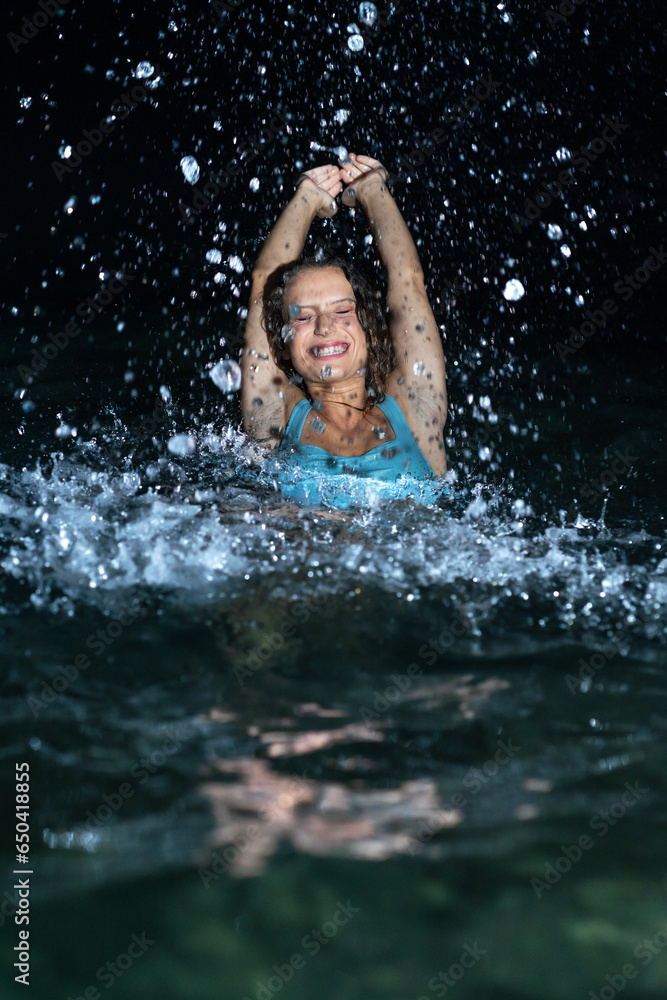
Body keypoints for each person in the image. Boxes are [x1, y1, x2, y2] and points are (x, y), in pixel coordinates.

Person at [240, 153, 448, 503]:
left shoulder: (414, 405)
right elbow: (264, 284)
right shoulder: (275, 415)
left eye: (342, 310)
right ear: (285, 340)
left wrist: (373, 191)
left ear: (368, 328)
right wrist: (305, 199)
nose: (324, 326)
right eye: (303, 316)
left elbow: (407, 282)